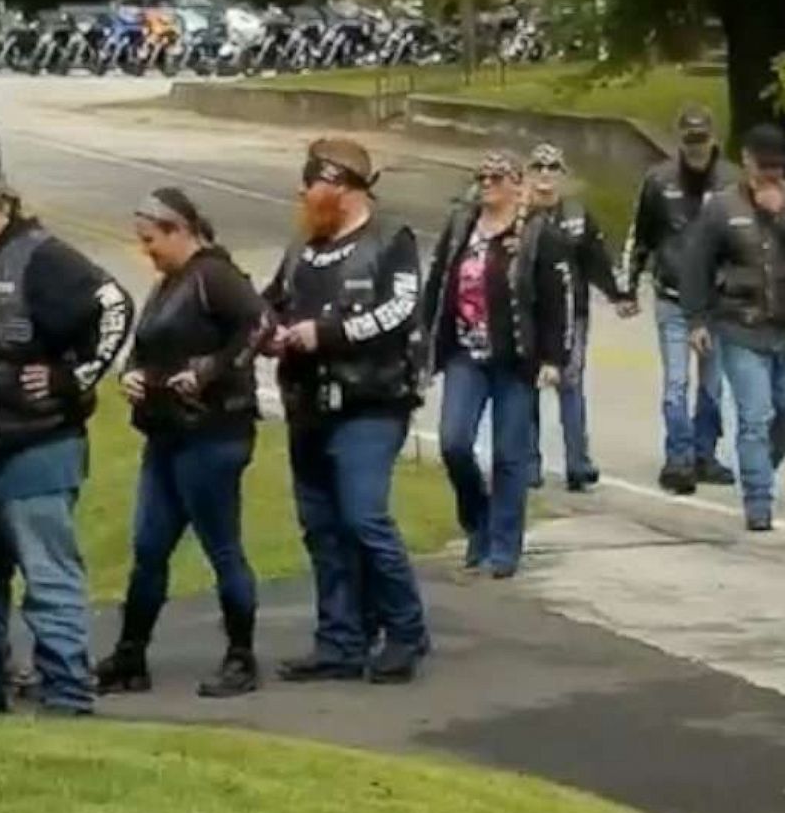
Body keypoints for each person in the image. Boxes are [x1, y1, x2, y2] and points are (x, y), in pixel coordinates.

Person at [0, 148, 134, 716]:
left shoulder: (41, 258)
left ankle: (67, 698)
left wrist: (74, 377)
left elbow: (113, 305)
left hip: (38, 446)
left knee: (49, 576)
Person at [262, 138, 432, 684]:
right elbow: (271, 301)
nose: (302, 192)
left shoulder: (391, 241)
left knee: (364, 517)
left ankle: (406, 631)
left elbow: (401, 311)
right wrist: (266, 332)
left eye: (311, 181)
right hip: (307, 405)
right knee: (322, 528)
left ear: (340, 187)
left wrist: (326, 333)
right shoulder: (302, 247)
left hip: (370, 402)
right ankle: (340, 640)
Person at [95, 188, 266, 698]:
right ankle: (131, 653)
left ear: (177, 230)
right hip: (166, 431)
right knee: (149, 547)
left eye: (150, 240)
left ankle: (241, 655)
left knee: (222, 546)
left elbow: (258, 325)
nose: (145, 251)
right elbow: (148, 345)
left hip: (211, 434)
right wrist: (132, 375)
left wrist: (211, 372)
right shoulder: (169, 284)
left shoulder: (213, 276)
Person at [423, 150, 572, 580]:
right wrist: (425, 344)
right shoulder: (461, 228)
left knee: (511, 455)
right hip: (465, 353)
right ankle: (478, 523)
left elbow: (555, 303)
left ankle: (504, 546)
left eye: (495, 177)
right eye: (481, 176)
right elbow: (438, 285)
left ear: (515, 183)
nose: (486, 184)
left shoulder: (539, 235)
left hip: (515, 358)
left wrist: (553, 358)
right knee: (453, 442)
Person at [681, 124, 785, 532]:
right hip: (740, 326)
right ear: (746, 161)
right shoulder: (721, 208)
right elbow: (697, 265)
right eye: (764, 168)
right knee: (754, 415)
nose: (771, 176)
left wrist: (781, 214)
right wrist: (696, 319)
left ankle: (760, 467)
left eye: (778, 169)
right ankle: (758, 500)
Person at [618, 105, 738, 495]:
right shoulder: (659, 181)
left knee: (712, 384)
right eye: (689, 141)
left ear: (713, 139)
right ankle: (679, 456)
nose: (696, 149)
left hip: (719, 301)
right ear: (679, 142)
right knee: (675, 382)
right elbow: (641, 234)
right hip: (671, 296)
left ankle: (705, 453)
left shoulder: (732, 183)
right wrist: (628, 284)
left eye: (702, 141)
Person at [523, 143, 622, 491]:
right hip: (525, 314)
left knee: (570, 381)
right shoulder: (518, 217)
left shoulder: (577, 216)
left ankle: (578, 461)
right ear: (527, 175)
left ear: (564, 177)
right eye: (539, 168)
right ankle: (528, 463)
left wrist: (617, 294)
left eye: (553, 169)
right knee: (525, 386)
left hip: (570, 312)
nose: (546, 176)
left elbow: (596, 260)